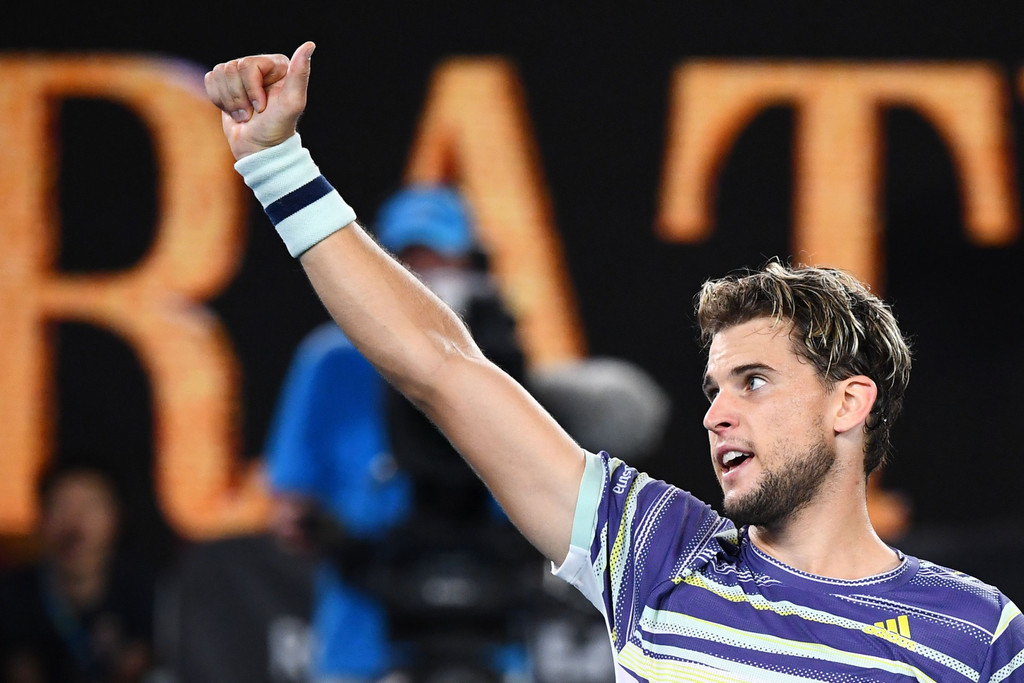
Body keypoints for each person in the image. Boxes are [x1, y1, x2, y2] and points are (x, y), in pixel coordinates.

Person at [205, 43, 1024, 680]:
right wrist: (277, 165)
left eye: (754, 381)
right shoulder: (655, 550)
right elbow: (442, 366)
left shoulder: (977, 632)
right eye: (713, 387)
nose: (716, 413)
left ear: (849, 402)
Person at [265, 185, 532, 682]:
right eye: (408, 260)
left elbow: (538, 488)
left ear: (468, 263)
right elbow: (289, 509)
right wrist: (344, 544)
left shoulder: (500, 356)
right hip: (360, 635)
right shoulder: (329, 360)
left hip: (486, 630)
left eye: (438, 258)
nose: (423, 275)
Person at [0, 467, 154, 683]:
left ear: (116, 516)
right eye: (61, 506)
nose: (74, 524)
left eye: (89, 506)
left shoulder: (144, 589)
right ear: (41, 518)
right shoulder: (14, 594)